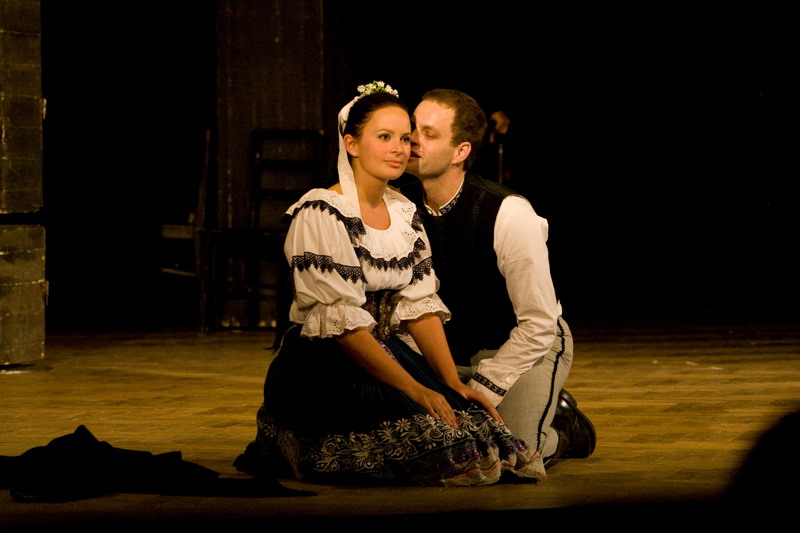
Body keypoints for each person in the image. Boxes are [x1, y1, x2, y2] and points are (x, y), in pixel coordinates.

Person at [234, 82, 546, 486]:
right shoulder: (322, 212)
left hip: (390, 352)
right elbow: (343, 327)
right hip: (330, 362)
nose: (401, 148)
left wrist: (450, 383)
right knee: (441, 447)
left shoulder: (402, 210)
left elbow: (420, 306)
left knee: (485, 438)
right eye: (384, 137)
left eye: (404, 137)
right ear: (352, 144)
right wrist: (415, 389)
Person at [400, 88, 596, 468]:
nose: (413, 140)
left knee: (509, 455)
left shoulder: (508, 213)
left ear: (460, 151)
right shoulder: (398, 204)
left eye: (429, 133)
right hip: (445, 355)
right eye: (412, 128)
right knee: (430, 449)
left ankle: (565, 429)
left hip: (519, 348)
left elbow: (539, 323)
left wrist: (482, 389)